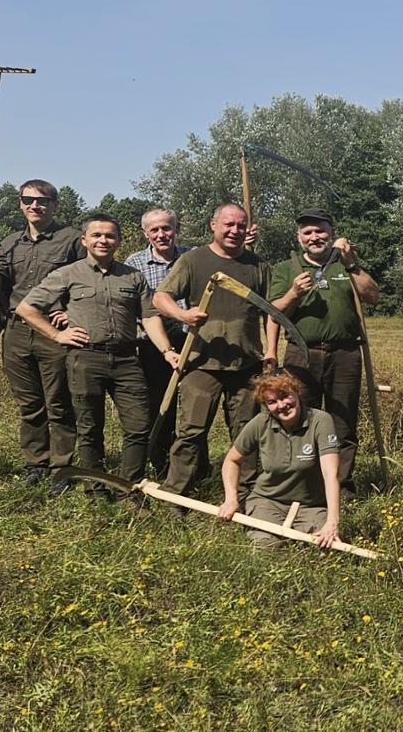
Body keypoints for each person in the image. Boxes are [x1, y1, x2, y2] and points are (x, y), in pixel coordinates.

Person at [15, 213, 174, 492]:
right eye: (97, 235)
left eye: (110, 236)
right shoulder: (67, 274)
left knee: (139, 426)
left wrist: (166, 350)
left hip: (126, 359)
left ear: (119, 241)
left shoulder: (132, 277)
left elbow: (149, 317)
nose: (104, 240)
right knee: (89, 428)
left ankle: (129, 486)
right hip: (85, 359)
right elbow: (26, 308)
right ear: (84, 240)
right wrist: (57, 334)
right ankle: (95, 488)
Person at [152, 202, 270, 496]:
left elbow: (272, 312)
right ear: (213, 225)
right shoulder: (193, 261)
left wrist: (271, 351)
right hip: (201, 363)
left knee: (247, 434)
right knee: (191, 432)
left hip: (246, 365)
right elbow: (160, 297)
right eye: (228, 224)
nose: (234, 230)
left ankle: (247, 496)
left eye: (240, 225)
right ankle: (176, 495)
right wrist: (183, 315)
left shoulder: (258, 266)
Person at [267, 208, 380, 488]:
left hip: (345, 354)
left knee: (342, 421)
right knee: (298, 417)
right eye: (308, 232)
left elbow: (373, 296)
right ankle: (302, 483)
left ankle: (340, 484)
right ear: (299, 237)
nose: (314, 237)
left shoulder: (345, 264)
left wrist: (352, 264)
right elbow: (272, 312)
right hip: (301, 353)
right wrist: (293, 293)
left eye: (320, 231)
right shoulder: (285, 268)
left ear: (332, 233)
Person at [0, 179, 84, 484]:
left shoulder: (72, 240)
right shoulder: (9, 243)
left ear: (54, 206)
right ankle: (36, 463)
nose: (35, 206)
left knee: (58, 401)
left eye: (42, 201)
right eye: (28, 200)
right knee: (30, 403)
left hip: (53, 330)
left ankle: (62, 468)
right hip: (17, 331)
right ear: (20, 203)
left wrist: (69, 310)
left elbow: (87, 281)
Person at [214, 370, 344, 550]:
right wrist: (231, 499)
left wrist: (332, 521)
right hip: (268, 501)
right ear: (266, 405)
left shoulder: (320, 421)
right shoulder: (261, 422)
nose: (281, 405)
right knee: (266, 548)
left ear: (297, 393)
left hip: (311, 505)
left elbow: (331, 474)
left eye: (285, 396)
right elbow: (231, 460)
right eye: (272, 402)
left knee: (322, 548)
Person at [127, 209, 194, 481]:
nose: (161, 234)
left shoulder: (192, 256)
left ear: (176, 229)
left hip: (193, 341)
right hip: (153, 347)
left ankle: (193, 465)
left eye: (166, 228)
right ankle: (163, 464)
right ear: (146, 233)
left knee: (192, 407)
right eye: (154, 230)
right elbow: (134, 307)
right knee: (159, 407)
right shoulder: (135, 263)